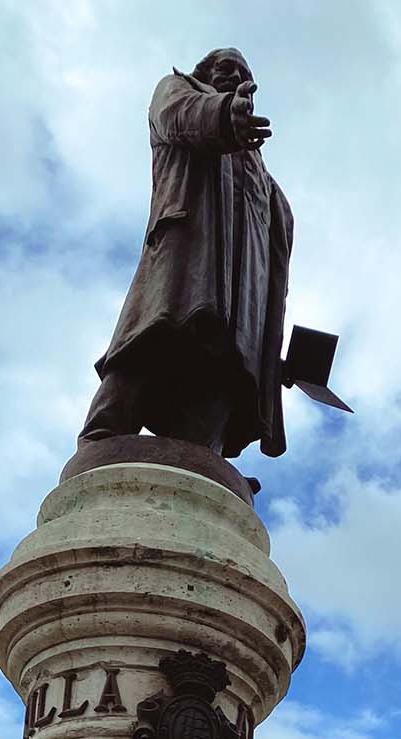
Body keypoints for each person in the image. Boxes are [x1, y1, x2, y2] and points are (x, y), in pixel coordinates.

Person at [80, 48, 293, 458]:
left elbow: (274, 255)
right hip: (185, 262)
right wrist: (222, 114)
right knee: (152, 339)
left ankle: (199, 462)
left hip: (240, 308)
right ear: (204, 73)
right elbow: (177, 116)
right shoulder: (180, 92)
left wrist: (271, 354)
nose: (234, 76)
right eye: (224, 68)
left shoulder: (263, 176)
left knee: (221, 381)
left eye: (243, 72)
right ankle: (99, 444)